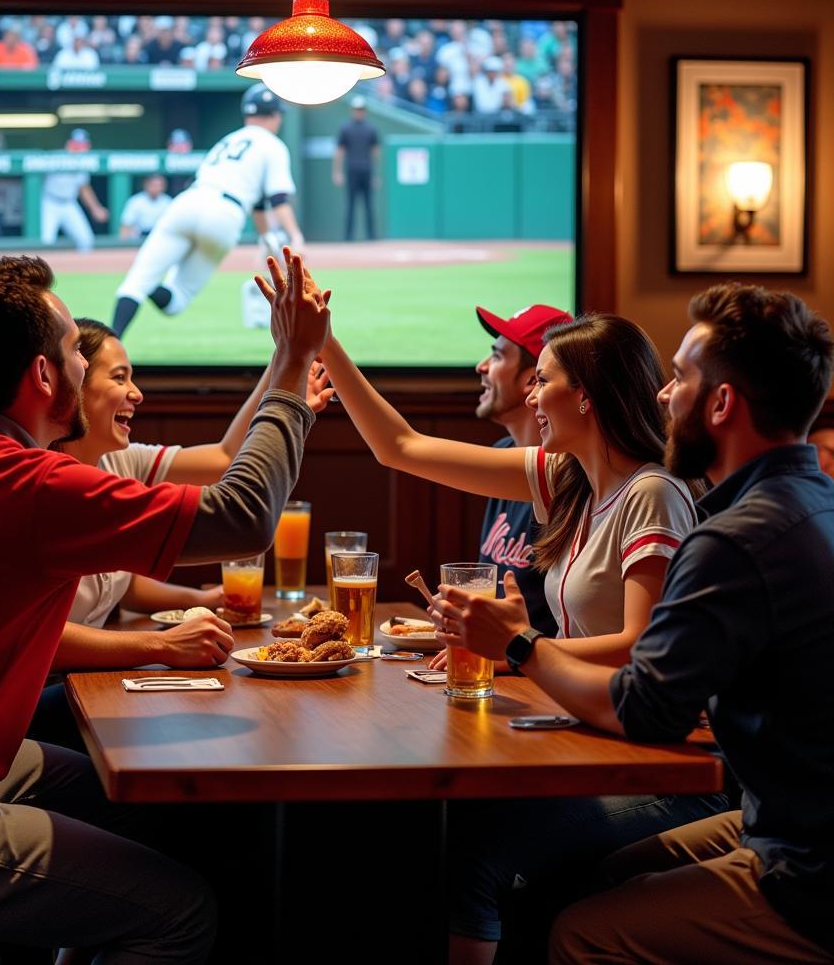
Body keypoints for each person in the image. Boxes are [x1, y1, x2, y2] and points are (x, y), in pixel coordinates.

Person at [0, 251, 329, 960]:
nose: (85, 369)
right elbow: (242, 518)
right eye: (72, 355)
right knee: (179, 912)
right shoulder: (28, 485)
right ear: (44, 375)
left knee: (122, 793)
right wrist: (294, 364)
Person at [270, 261, 723, 963]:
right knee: (457, 825)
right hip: (593, 738)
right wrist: (321, 342)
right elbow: (401, 449)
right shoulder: (567, 479)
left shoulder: (652, 495)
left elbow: (641, 646)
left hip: (658, 763)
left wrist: (518, 644)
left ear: (591, 397)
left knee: (479, 853)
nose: (534, 397)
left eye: (544, 379)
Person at [432, 283, 834, 965]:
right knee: (594, 876)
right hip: (787, 822)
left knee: (580, 934)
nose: (660, 395)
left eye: (678, 377)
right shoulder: (812, 498)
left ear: (721, 403)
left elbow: (645, 709)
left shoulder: (735, 539)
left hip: (807, 871)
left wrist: (519, 645)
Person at [27, 316, 334, 750]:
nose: (137, 392)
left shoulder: (121, 459)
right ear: (71, 381)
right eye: (120, 377)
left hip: (78, 684)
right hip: (38, 696)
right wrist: (160, 645)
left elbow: (226, 456)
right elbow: (38, 635)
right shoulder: (46, 483)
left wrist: (281, 361)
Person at [110, 83, 305, 337]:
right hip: (225, 215)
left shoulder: (228, 139)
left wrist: (267, 238)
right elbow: (277, 199)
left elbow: (259, 205)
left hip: (189, 201)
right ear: (275, 115)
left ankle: (107, 349)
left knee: (135, 282)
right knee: (176, 302)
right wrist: (294, 235)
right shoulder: (273, 145)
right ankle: (146, 284)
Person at [473, 304, 571, 637]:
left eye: (497, 357)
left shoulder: (565, 473)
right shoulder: (502, 453)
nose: (482, 367)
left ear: (533, 380)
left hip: (540, 675)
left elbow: (401, 448)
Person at [40, 128, 109, 252]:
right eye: (76, 145)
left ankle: (85, 270)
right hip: (50, 202)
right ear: (69, 144)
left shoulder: (84, 162)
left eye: (82, 146)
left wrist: (96, 208)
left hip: (69, 203)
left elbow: (84, 188)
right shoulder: (54, 157)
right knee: (46, 241)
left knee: (86, 240)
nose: (79, 149)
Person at [332, 95, 379, 241]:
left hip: (366, 170)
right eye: (357, 109)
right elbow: (339, 151)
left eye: (361, 109)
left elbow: (375, 152)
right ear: (352, 110)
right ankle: (348, 238)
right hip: (352, 170)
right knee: (350, 206)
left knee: (369, 206)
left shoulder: (371, 129)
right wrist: (337, 172)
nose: (359, 112)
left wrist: (375, 174)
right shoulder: (345, 128)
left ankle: (372, 238)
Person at [119, 173, 173, 241]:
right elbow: (126, 225)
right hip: (139, 238)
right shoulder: (135, 201)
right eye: (153, 185)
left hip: (161, 237)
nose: (156, 188)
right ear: (146, 185)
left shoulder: (168, 201)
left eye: (159, 185)